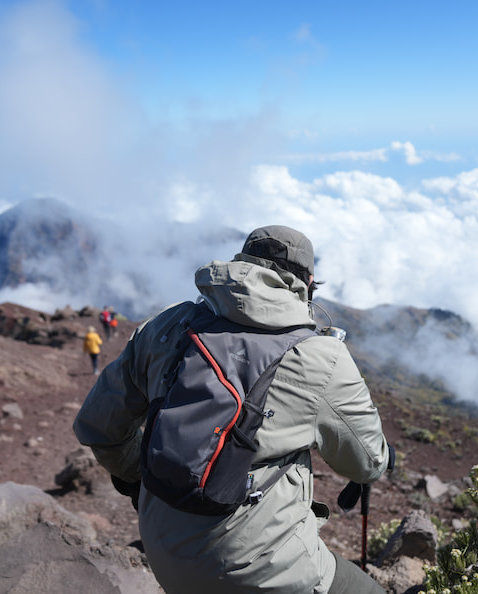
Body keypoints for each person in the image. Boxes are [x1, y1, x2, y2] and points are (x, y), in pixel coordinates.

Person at [73, 225, 390, 593]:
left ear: (241, 263)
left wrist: (144, 481)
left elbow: (98, 425)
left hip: (160, 547)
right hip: (260, 571)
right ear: (308, 284)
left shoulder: (169, 323)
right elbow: (367, 464)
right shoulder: (322, 356)